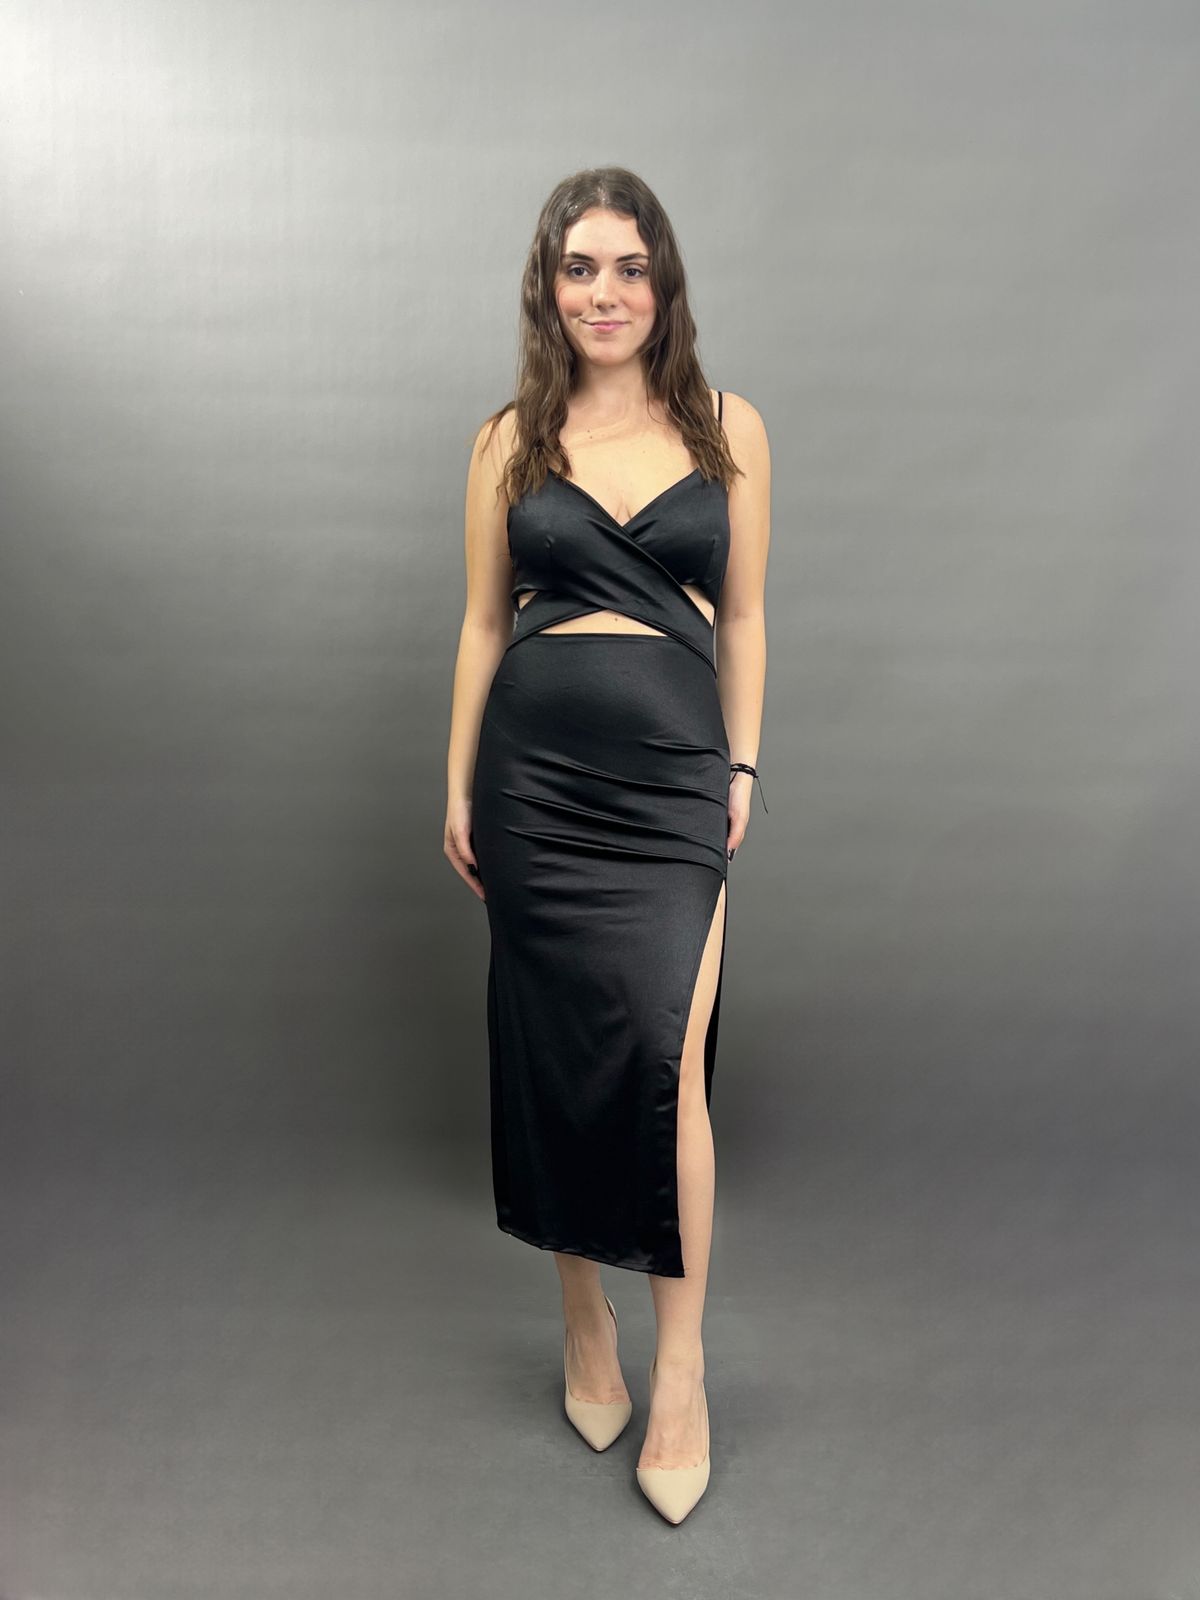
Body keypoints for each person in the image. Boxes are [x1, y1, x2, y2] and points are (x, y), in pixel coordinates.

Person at [444, 166, 770, 1523]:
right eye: (580, 267)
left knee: (667, 1058)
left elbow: (743, 618)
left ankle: (679, 1369)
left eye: (629, 267)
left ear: (662, 282)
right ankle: (585, 1315)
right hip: (535, 781)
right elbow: (483, 623)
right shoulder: (508, 440)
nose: (606, 292)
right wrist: (457, 785)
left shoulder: (729, 428)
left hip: (674, 779)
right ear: (549, 287)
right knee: (557, 1050)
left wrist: (741, 763)